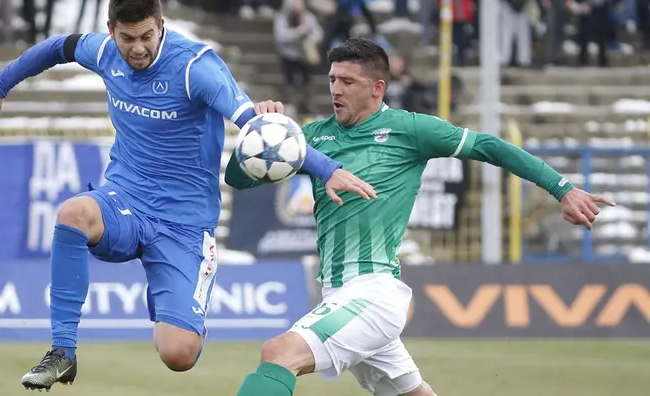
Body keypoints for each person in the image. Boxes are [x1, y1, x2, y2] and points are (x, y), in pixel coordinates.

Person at [0, 0, 377, 391]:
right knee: (73, 213)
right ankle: (62, 352)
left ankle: (181, 302)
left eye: (146, 36)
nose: (138, 48)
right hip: (126, 199)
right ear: (111, 31)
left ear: (161, 25)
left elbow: (260, 132)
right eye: (128, 38)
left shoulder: (197, 68)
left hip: (185, 223)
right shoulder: (103, 52)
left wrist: (326, 169)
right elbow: (58, 47)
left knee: (178, 354)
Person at [225, 37, 615, 396]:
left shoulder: (409, 129)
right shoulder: (311, 137)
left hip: (373, 294)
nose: (336, 90)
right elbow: (237, 179)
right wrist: (263, 132)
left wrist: (562, 188)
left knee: (279, 353)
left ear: (377, 88)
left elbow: (491, 147)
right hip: (339, 293)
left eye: (347, 81)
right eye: (332, 80)